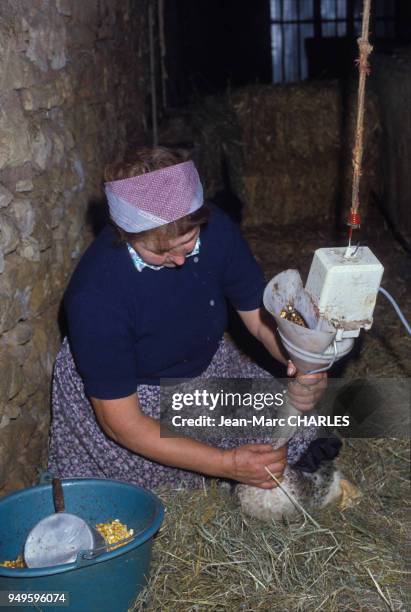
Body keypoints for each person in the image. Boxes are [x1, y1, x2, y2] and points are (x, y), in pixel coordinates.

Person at [48, 147, 328, 491]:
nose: (180, 260)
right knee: (166, 483)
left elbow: (258, 316)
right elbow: (123, 424)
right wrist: (227, 465)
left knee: (297, 425)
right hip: (135, 398)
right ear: (126, 234)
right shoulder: (96, 295)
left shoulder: (217, 231)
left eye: (188, 242)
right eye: (159, 251)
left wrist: (297, 361)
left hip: (202, 369)